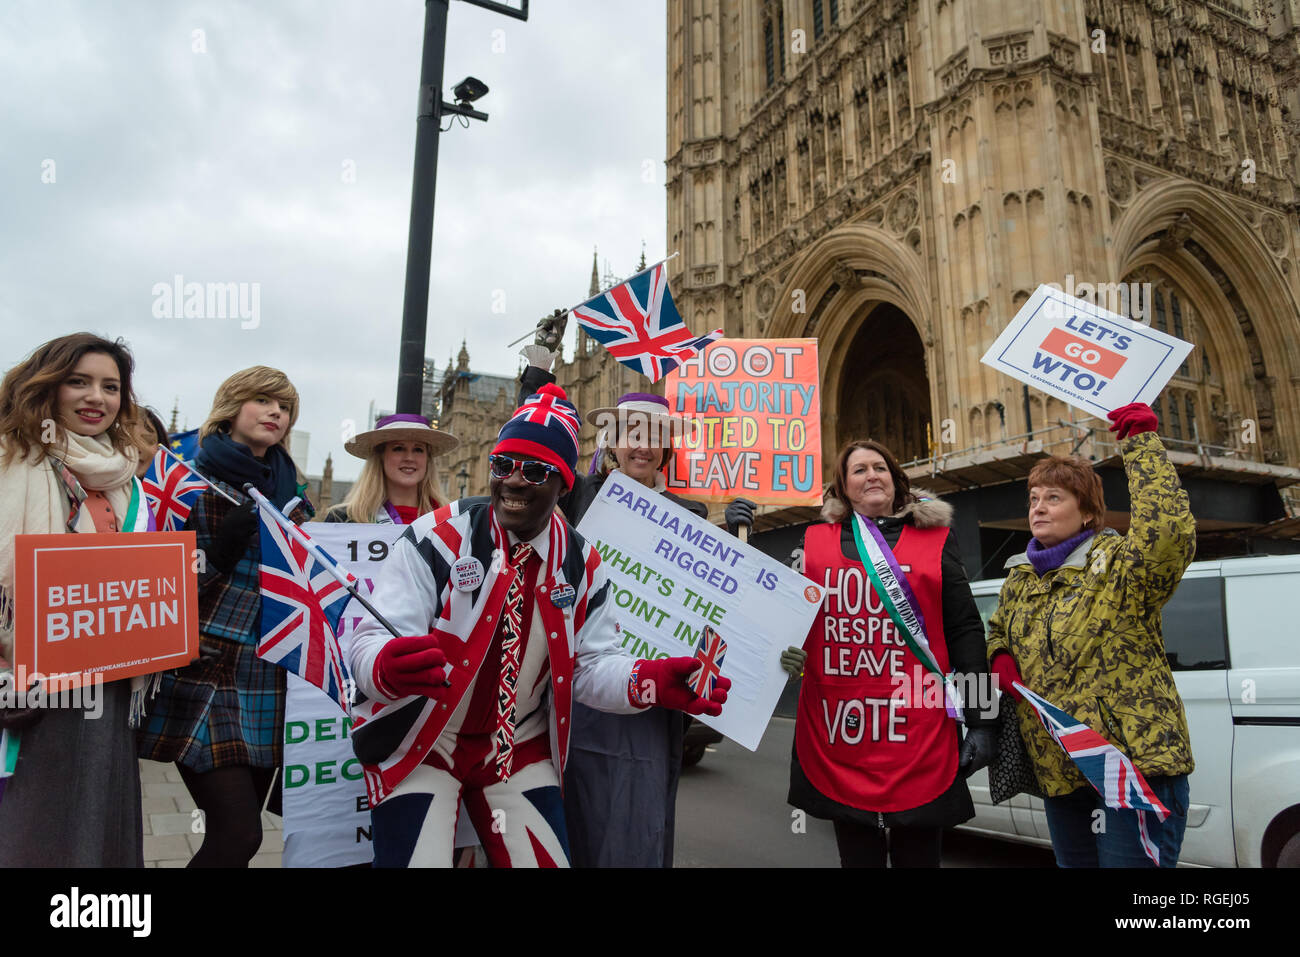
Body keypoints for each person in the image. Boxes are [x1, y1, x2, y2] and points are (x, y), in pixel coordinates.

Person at [347, 383, 731, 867]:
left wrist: (650, 682)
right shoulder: (437, 536)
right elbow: (369, 638)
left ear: (563, 484)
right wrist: (384, 666)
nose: (513, 481)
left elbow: (591, 668)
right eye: (503, 465)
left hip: (515, 747)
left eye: (535, 470)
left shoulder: (581, 560)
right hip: (422, 740)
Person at [758, 438, 996, 868]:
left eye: (880, 468)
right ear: (844, 487)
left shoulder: (938, 539)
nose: (871, 475)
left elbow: (965, 631)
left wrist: (983, 723)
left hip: (919, 731)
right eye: (859, 470)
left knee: (920, 860)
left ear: (895, 479)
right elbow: (779, 619)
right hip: (841, 734)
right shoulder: (813, 543)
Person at [985, 401, 1196, 867]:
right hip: (1061, 772)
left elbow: (1167, 537)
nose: (1038, 507)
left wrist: (1142, 446)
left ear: (1087, 514)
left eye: (1053, 498)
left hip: (1131, 770)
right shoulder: (1020, 577)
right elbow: (998, 630)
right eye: (1033, 499)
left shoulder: (1121, 566)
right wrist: (999, 655)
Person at [138, 366, 312, 867]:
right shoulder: (187, 483)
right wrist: (218, 554)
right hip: (205, 674)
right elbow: (151, 595)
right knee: (239, 835)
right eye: (263, 400)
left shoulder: (290, 493)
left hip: (267, 676)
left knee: (238, 837)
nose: (275, 412)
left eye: (285, 407)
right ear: (232, 407)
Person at [0, 333, 153, 866]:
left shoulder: (124, 478)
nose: (97, 398)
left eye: (111, 387)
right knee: (34, 827)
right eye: (79, 381)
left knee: (96, 822)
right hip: (28, 685)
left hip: (106, 682)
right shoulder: (11, 459)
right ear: (49, 384)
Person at [324, 413, 457, 525]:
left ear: (428, 459)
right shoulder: (344, 520)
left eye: (418, 449)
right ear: (381, 456)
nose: (409, 457)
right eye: (398, 448)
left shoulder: (452, 521)